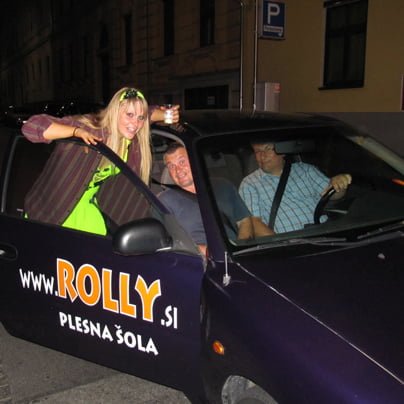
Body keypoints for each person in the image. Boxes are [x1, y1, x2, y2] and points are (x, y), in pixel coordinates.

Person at [22, 87, 180, 235]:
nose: (135, 124)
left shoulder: (129, 139)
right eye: (129, 115)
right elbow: (31, 127)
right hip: (53, 209)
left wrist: (166, 115)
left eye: (140, 118)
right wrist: (76, 132)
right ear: (114, 112)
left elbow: (148, 114)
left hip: (86, 207)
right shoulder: (91, 127)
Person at [158, 143, 274, 255]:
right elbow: (167, 241)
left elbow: (244, 221)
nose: (178, 170)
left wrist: (239, 247)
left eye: (182, 162)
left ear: (194, 160)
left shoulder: (223, 185)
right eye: (171, 166)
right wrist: (209, 253)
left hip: (236, 254)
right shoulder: (164, 201)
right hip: (199, 260)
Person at [239, 141, 352, 233]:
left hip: (325, 232)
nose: (262, 156)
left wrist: (339, 184)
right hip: (291, 242)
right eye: (257, 151)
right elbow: (255, 225)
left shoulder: (306, 170)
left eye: (268, 148)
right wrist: (280, 246)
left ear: (282, 151)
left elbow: (333, 194)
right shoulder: (249, 184)